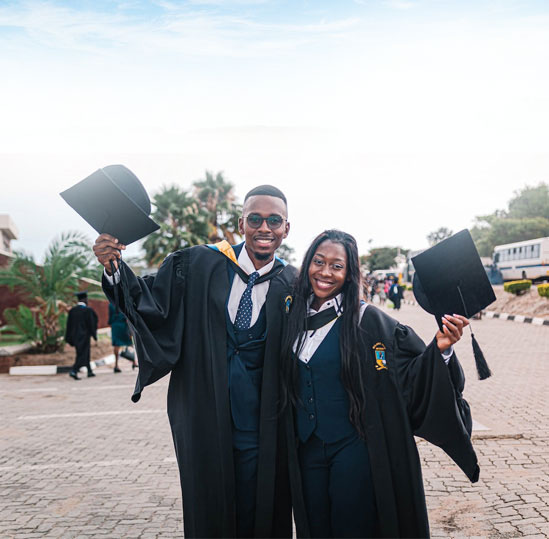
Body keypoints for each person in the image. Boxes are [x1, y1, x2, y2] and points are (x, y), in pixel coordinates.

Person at [92, 185, 296, 538]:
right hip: (205, 415)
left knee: (261, 505)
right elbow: (151, 304)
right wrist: (114, 267)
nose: (264, 228)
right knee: (209, 506)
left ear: (286, 228)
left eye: (274, 220)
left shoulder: (294, 284)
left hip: (264, 424)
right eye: (255, 219)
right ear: (241, 224)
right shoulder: (199, 264)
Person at [280, 230, 479, 538]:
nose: (325, 272)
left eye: (337, 266)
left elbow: (409, 376)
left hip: (352, 450)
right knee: (315, 527)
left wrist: (440, 348)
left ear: (349, 274)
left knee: (352, 528)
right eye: (319, 262)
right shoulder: (291, 316)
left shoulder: (369, 322)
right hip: (306, 451)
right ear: (308, 264)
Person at [65, 291, 98, 380]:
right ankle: (74, 371)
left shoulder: (72, 310)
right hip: (84, 336)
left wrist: (68, 338)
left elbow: (69, 325)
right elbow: (92, 323)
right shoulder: (88, 310)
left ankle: (89, 371)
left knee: (84, 352)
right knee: (82, 354)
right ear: (85, 299)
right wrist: (94, 335)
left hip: (75, 336)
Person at [108, 302, 136, 372]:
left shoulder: (111, 304)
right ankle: (134, 362)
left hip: (115, 326)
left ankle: (116, 365)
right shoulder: (123, 302)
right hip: (124, 326)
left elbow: (110, 317)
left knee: (116, 345)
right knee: (130, 344)